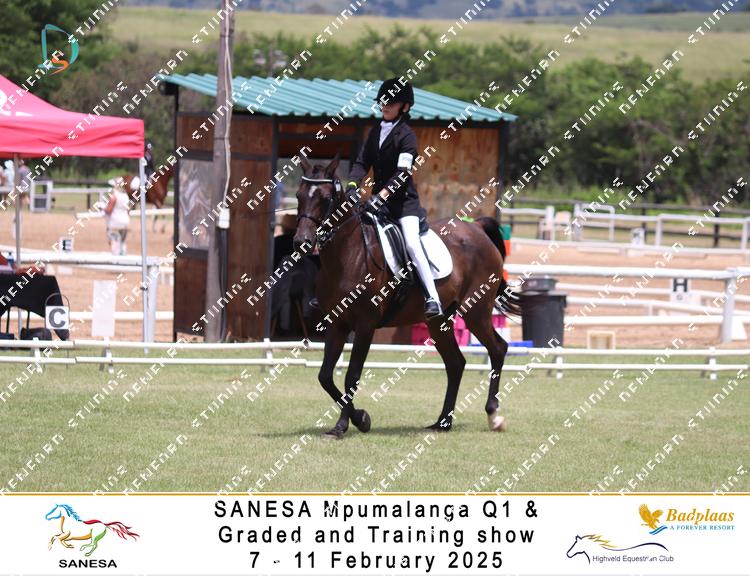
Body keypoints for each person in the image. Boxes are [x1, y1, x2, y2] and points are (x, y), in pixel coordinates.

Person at [347, 77, 443, 319]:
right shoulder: (375, 132)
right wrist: (352, 185)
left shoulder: (407, 136)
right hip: (377, 205)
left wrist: (382, 196)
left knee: (411, 243)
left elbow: (402, 174)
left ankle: (432, 297)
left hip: (403, 206)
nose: (385, 106)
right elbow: (362, 163)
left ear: (405, 107)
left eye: (390, 102)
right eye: (382, 102)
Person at [104, 177, 131, 255]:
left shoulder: (114, 195)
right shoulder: (126, 196)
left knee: (114, 242)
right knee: (122, 242)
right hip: (125, 221)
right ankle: (123, 255)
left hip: (115, 222)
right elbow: (128, 210)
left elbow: (109, 210)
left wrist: (102, 208)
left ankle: (116, 256)